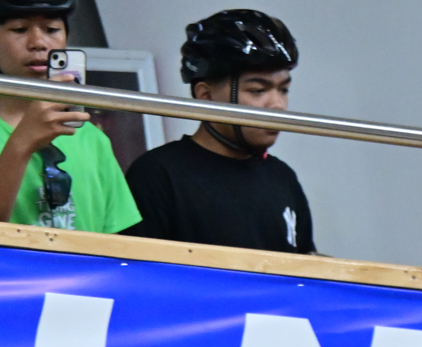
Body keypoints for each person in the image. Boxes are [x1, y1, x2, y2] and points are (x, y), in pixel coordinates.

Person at [125, 9, 313, 253]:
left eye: (283, 90)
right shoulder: (158, 175)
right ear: (206, 97)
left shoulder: (282, 177)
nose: (277, 105)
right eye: (258, 90)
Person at [0, 0, 139, 233]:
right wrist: (21, 143)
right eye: (19, 29)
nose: (38, 43)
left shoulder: (92, 138)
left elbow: (118, 242)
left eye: (52, 29)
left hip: (90, 270)